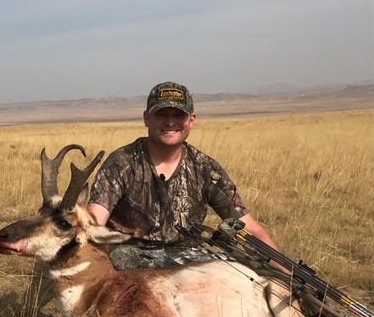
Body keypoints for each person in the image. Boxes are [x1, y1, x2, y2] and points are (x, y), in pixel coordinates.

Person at [87, 81, 281, 270]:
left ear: (192, 120)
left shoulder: (205, 168)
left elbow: (250, 228)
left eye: (178, 115)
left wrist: (287, 273)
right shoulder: (122, 163)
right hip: (130, 263)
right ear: (146, 118)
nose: (170, 122)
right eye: (161, 114)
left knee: (232, 272)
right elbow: (93, 224)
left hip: (186, 264)